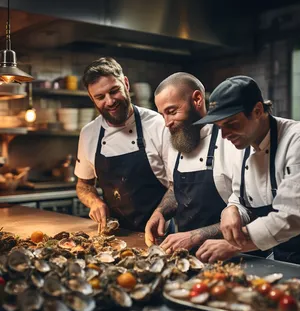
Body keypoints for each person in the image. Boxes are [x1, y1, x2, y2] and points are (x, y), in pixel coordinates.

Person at [194, 75, 300, 271]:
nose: (224, 135)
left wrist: (233, 244)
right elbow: (242, 196)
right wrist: (231, 209)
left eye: (231, 124)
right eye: (219, 127)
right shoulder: (244, 144)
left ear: (257, 111)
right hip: (284, 254)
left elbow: (292, 216)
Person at [75, 57, 169, 232]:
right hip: (115, 235)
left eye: (114, 91)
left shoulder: (158, 124)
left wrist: (161, 212)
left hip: (162, 232)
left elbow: (178, 184)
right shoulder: (89, 133)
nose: (110, 101)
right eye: (100, 97)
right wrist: (94, 202)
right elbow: (84, 185)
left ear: (126, 83)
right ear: (91, 98)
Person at [144, 72, 235, 253]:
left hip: (234, 255)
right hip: (187, 254)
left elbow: (248, 213)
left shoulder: (231, 140)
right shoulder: (179, 140)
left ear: (197, 99)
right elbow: (174, 189)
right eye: (162, 114)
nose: (167, 123)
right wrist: (160, 212)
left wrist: (195, 236)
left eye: (172, 111)